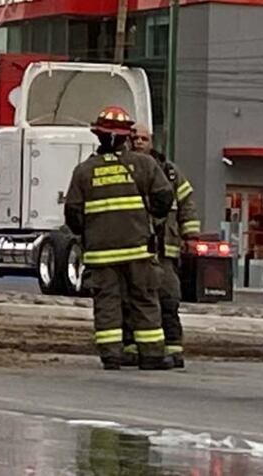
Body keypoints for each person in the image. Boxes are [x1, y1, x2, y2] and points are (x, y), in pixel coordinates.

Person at [64, 106, 175, 370]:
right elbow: (164, 197)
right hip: (138, 250)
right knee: (144, 299)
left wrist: (91, 233)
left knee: (107, 303)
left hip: (100, 254)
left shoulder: (84, 171)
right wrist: (151, 219)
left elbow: (73, 215)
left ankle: (112, 355)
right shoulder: (144, 165)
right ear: (127, 137)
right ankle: (152, 355)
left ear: (98, 135)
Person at [121, 123, 200, 369]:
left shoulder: (170, 172)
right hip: (134, 248)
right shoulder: (122, 169)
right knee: (132, 298)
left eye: (143, 138)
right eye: (134, 138)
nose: (138, 142)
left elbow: (186, 203)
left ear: (152, 141)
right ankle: (132, 347)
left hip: (165, 249)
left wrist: (191, 235)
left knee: (168, 299)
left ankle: (173, 347)